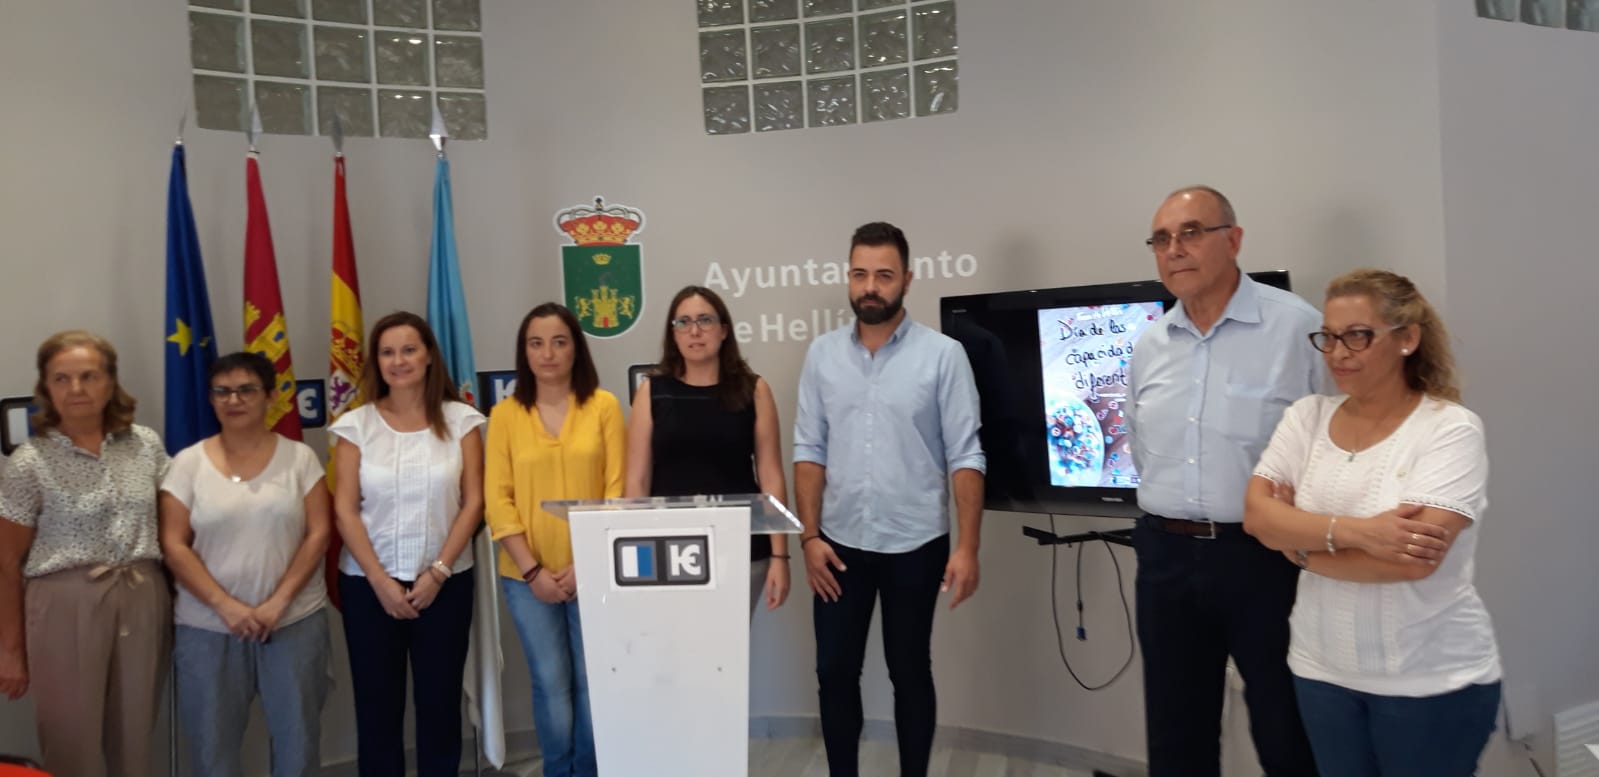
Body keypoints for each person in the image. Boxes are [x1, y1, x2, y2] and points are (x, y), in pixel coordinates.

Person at [1244, 269, 1501, 776]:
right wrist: (1362, 534)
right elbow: (1257, 517)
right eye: (1329, 337)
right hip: (1320, 671)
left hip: (1429, 679)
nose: (1338, 353)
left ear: (1407, 338)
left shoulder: (1449, 429)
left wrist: (1298, 546)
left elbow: (1412, 562)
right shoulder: (1306, 417)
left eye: (1358, 336)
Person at [1125, 186, 1322, 777]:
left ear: (1233, 240)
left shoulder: (1297, 329)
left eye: (1191, 233)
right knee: (1175, 737)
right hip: (1165, 557)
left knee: (1287, 732)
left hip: (1264, 560)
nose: (1174, 250)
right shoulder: (1150, 344)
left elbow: (1336, 446)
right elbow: (1142, 449)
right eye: (1162, 239)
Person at [793, 221, 985, 777]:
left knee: (909, 671)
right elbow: (808, 449)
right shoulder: (822, 355)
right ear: (848, 278)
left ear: (907, 279)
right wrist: (809, 537)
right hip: (837, 545)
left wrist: (968, 548)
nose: (870, 287)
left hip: (916, 543)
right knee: (834, 672)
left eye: (883, 275)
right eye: (860, 274)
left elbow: (966, 454)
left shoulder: (943, 356)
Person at [0, 331, 172, 777]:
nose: (76, 388)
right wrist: (10, 650)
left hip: (141, 595)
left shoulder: (145, 445)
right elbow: (6, 563)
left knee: (135, 735)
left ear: (110, 382)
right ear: (46, 387)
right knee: (71, 740)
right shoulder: (29, 461)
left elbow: (178, 522)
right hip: (64, 604)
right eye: (62, 378)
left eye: (89, 376)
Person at [159, 351, 332, 777]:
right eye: (222, 391)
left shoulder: (300, 459)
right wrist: (226, 606)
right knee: (212, 750)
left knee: (298, 745)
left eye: (246, 390)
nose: (233, 400)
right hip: (207, 627)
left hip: (292, 622)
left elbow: (319, 534)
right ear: (211, 399)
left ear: (271, 396)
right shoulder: (187, 464)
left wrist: (278, 603)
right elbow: (173, 544)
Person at [329, 312, 486, 777]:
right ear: (376, 362)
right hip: (368, 587)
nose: (398, 361)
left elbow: (474, 502)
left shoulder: (461, 421)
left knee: (440, 706)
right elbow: (345, 510)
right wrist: (380, 581)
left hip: (446, 585)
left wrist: (438, 571)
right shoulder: (355, 426)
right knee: (377, 709)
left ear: (429, 356)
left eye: (409, 350)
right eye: (388, 352)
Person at [485, 303, 623, 777]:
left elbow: (617, 491)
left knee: (592, 681)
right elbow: (497, 500)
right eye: (536, 343)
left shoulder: (604, 406)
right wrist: (532, 571)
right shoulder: (505, 415)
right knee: (550, 683)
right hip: (527, 578)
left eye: (559, 342)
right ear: (524, 353)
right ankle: (558, 771)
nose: (548, 353)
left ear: (576, 349)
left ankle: (589, 770)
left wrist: (587, 564)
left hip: (595, 572)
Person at [624, 285, 791, 614]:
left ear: (724, 330)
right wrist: (635, 553)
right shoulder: (652, 392)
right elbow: (637, 481)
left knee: (728, 644)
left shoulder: (754, 390)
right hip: (668, 551)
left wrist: (780, 555)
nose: (695, 331)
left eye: (705, 320)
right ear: (673, 334)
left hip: (741, 546)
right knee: (674, 644)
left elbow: (771, 476)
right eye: (683, 322)